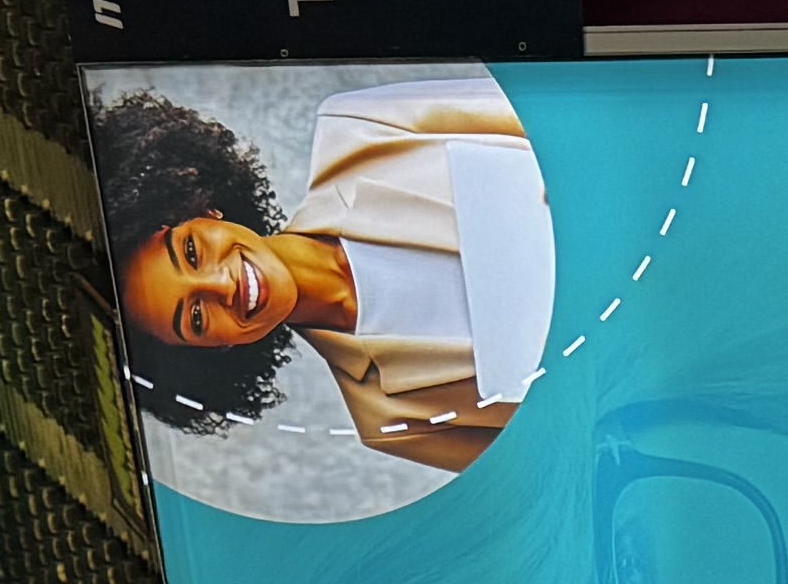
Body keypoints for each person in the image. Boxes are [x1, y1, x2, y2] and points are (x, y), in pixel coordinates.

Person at [95, 80, 558, 479]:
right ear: (217, 349)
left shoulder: (364, 127)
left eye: (192, 251)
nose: (221, 286)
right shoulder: (394, 420)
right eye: (195, 317)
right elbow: (561, 458)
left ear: (202, 207)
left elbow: (568, 112)